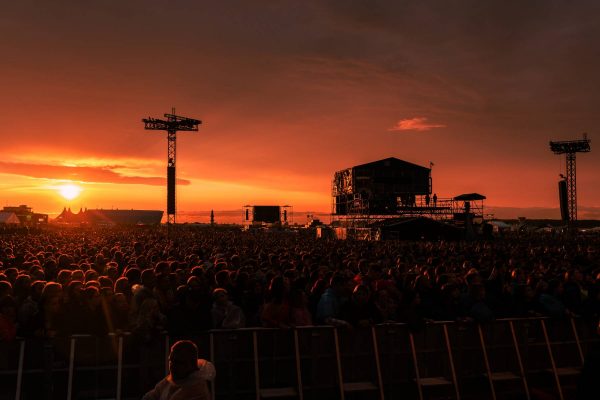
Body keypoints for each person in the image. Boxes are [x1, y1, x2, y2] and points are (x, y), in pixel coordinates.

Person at [143, 340, 216, 400]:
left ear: (191, 364)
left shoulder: (197, 390)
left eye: (178, 362)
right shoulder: (175, 379)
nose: (172, 365)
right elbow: (152, 395)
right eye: (171, 360)